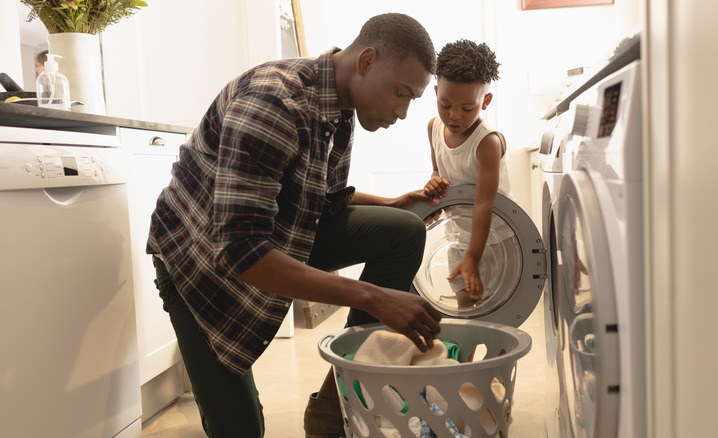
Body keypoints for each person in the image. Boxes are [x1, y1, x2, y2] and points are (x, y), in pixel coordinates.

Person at [146, 13, 442, 438]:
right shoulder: (273, 104)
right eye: (401, 93)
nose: (402, 111)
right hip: (198, 258)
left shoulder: (340, 109)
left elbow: (323, 201)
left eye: (412, 99)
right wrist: (374, 298)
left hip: (264, 235)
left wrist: (392, 203)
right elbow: (241, 251)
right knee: (241, 430)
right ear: (367, 61)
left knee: (403, 231)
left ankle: (336, 400)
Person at [422, 39, 511, 307]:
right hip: (459, 235)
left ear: (485, 101)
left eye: (467, 108)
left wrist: (473, 256)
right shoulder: (433, 128)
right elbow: (438, 170)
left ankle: (498, 352)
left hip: (496, 240)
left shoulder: (487, 143)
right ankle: (463, 351)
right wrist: (434, 182)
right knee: (464, 306)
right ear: (436, 91)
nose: (454, 116)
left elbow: (485, 202)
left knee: (494, 310)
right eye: (445, 104)